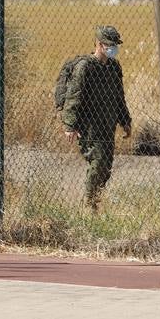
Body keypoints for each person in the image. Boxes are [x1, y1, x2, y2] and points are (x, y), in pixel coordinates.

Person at [61, 25, 132, 211]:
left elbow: (119, 95)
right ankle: (89, 205)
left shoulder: (113, 67)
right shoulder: (85, 67)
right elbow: (74, 96)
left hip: (108, 123)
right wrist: (70, 125)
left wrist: (125, 120)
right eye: (110, 45)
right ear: (99, 44)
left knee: (106, 166)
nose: (113, 48)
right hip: (89, 125)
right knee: (98, 162)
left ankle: (96, 202)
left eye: (115, 45)